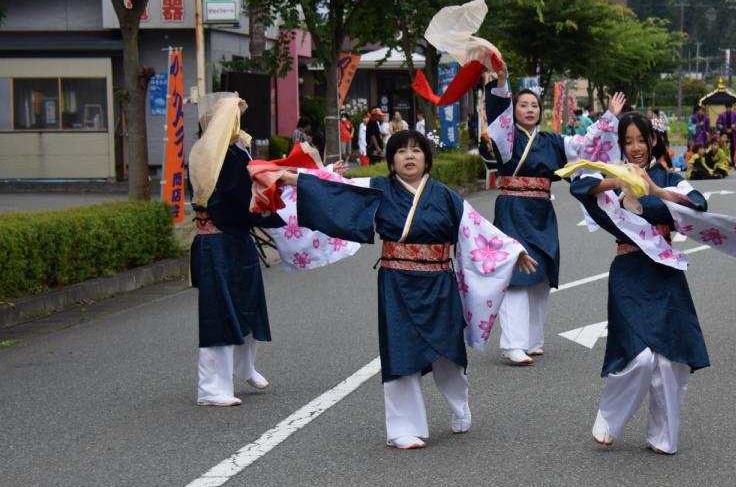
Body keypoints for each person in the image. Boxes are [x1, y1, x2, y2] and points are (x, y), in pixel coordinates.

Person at [283, 130, 536, 449]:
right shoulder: (379, 189)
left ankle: (459, 404)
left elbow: (477, 229)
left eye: (416, 150)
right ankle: (403, 428)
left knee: (450, 354)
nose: (409, 156)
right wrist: (296, 180)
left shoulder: (445, 196)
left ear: (427, 158)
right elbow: (341, 191)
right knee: (399, 352)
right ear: (391, 161)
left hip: (438, 282)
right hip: (397, 282)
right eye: (401, 151)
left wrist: (513, 252)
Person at [570, 112, 709, 454]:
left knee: (670, 359)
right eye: (627, 141)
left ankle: (663, 436)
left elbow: (700, 205)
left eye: (640, 140)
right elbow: (579, 185)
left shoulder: (670, 177)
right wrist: (615, 183)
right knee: (640, 357)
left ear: (652, 141)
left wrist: (655, 192)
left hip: (666, 272)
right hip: (629, 270)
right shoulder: (614, 177)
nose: (634, 147)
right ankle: (609, 416)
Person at [483, 80, 626, 365]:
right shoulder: (506, 136)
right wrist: (500, 79)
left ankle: (533, 341)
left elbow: (587, 144)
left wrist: (609, 116)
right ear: (513, 112)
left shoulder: (552, 141)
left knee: (541, 277)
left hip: (541, 210)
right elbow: (498, 110)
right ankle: (512, 344)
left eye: (534, 105)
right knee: (516, 276)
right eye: (522, 105)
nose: (529, 109)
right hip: (512, 208)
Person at [188, 94, 284, 407]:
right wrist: (265, 211)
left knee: (247, 302)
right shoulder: (207, 154)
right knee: (219, 311)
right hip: (217, 241)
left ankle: (244, 367)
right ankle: (211, 387)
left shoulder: (233, 150)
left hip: (237, 237)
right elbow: (230, 199)